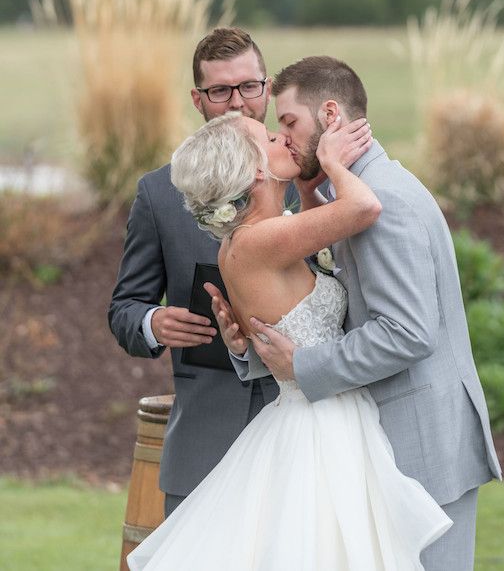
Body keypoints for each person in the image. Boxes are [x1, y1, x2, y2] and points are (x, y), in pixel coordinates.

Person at [127, 110, 452, 571]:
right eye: (270, 137)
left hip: (315, 411)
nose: (283, 138)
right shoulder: (262, 241)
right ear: (256, 168)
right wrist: (334, 163)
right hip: (323, 426)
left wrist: (304, 190)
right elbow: (364, 208)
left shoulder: (248, 241)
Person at [215, 56, 502, 571]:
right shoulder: (341, 196)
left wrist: (303, 366)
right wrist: (253, 348)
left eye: (289, 123)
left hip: (422, 447)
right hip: (373, 443)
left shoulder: (384, 204)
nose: (283, 138)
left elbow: (408, 334)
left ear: (330, 115)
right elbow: (331, 318)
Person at [108, 27, 288, 516]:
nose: (238, 103)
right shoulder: (159, 193)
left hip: (301, 438)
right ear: (198, 99)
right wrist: (153, 323)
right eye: (220, 91)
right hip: (203, 445)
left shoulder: (309, 181)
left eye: (249, 86)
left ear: (267, 88)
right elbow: (124, 309)